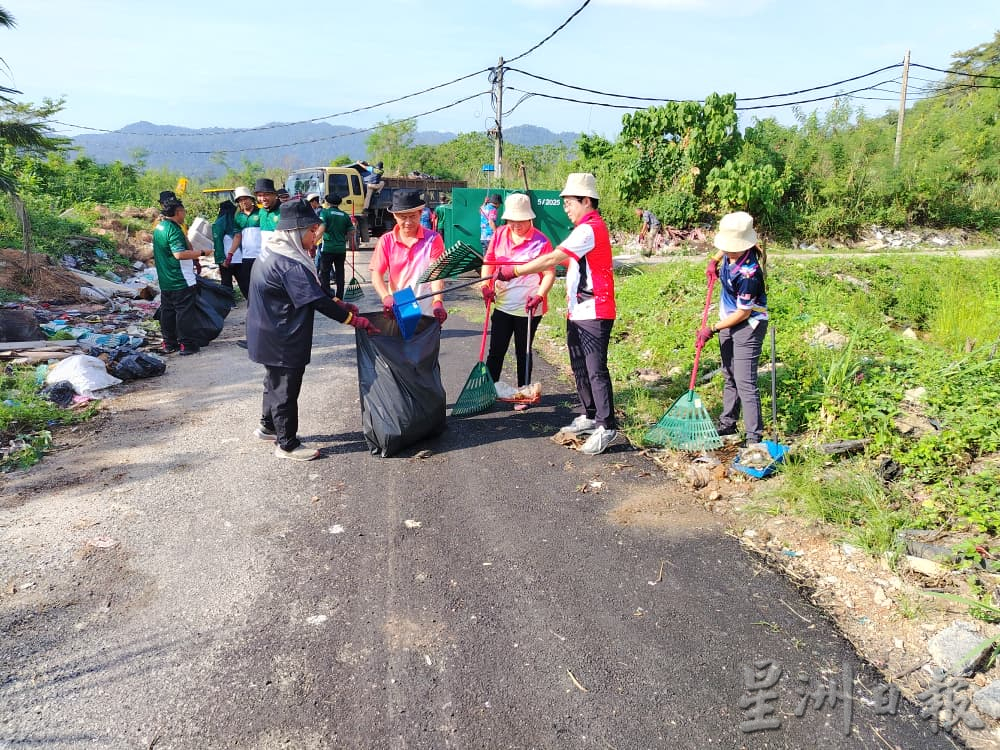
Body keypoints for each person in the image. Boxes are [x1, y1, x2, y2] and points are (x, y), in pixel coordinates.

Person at [247, 199, 379, 461]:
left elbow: (313, 288)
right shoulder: (289, 264)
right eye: (311, 231)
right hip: (282, 336)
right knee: (285, 389)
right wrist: (352, 319)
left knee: (273, 382)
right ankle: (287, 444)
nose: (315, 237)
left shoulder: (275, 251)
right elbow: (316, 299)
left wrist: (339, 301)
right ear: (295, 232)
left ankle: (268, 427)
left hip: (266, 331)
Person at [495, 173, 618, 455]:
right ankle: (590, 414)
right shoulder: (582, 228)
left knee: (595, 369)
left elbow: (553, 259)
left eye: (569, 203)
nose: (566, 208)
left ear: (586, 201)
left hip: (595, 309)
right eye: (564, 203)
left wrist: (514, 271)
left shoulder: (590, 229)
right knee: (579, 366)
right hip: (579, 310)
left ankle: (606, 425)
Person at [479, 193, 555, 411]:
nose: (516, 225)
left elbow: (549, 273)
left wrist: (540, 295)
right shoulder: (500, 234)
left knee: (524, 352)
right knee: (496, 350)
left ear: (530, 218)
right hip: (503, 303)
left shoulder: (541, 241)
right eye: (512, 220)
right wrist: (485, 286)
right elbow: (489, 262)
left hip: (529, 307)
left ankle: (524, 393)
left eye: (521, 220)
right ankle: (488, 390)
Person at [700, 211, 769, 446]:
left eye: (731, 247)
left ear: (743, 245)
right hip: (728, 321)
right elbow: (726, 248)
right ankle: (728, 423)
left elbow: (743, 313)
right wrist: (714, 260)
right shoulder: (731, 253)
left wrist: (712, 328)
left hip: (748, 325)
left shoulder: (749, 273)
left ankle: (754, 437)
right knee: (729, 373)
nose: (726, 249)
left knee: (744, 381)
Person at [369, 189, 447, 323]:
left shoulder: (433, 239)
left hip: (428, 310)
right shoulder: (386, 241)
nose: (408, 222)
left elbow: (436, 274)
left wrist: (438, 301)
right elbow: (376, 274)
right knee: (401, 335)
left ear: (421, 213)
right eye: (403, 217)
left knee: (425, 336)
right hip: (400, 307)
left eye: (413, 216)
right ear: (394, 216)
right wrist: (386, 297)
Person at [153, 198, 213, 355]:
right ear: (178, 212)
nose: (185, 214)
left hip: (166, 280)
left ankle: (169, 343)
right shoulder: (173, 229)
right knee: (185, 312)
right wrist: (202, 252)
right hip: (180, 279)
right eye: (184, 211)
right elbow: (179, 254)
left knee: (168, 311)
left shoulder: (159, 227)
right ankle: (187, 344)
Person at [318, 194, 354, 299]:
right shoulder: (345, 215)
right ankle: (339, 297)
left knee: (325, 273)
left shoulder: (325, 213)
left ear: (328, 203)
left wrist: (313, 242)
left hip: (328, 248)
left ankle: (328, 296)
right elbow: (352, 232)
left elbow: (321, 229)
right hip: (341, 249)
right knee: (340, 273)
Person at [232, 186, 259, 300]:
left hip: (262, 255)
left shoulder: (261, 213)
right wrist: (230, 253)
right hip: (247, 256)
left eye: (245, 199)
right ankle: (252, 303)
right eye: (240, 200)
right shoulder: (238, 217)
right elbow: (237, 236)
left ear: (251, 199)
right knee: (246, 283)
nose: (243, 202)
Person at [212, 199, 241, 292]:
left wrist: (221, 259)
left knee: (226, 284)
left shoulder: (219, 224)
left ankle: (229, 300)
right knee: (244, 282)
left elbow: (218, 243)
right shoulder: (237, 222)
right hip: (240, 258)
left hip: (226, 260)